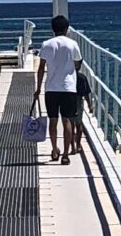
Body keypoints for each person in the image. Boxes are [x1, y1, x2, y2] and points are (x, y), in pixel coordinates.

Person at [35, 18, 85, 164]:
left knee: (53, 120)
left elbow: (41, 67)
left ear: (53, 28)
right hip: (69, 88)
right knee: (67, 120)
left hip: (51, 88)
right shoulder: (73, 44)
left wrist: (38, 88)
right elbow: (77, 62)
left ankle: (54, 149)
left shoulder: (47, 44)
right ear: (67, 28)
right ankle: (65, 154)